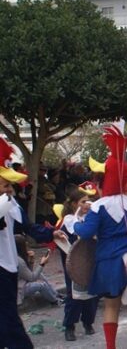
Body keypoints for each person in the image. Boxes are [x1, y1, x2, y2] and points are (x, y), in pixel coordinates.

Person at [72, 126, 127, 349]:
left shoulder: (99, 207)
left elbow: (86, 232)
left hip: (110, 261)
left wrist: (75, 222)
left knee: (111, 306)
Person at [0, 137, 55, 349]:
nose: (9, 189)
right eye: (5, 184)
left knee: (8, 320)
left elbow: (30, 228)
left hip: (8, 267)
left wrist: (53, 233)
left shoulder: (10, 203)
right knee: (8, 323)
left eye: (10, 185)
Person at [55, 189, 99, 341]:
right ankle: (69, 326)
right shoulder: (68, 220)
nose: (86, 204)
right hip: (75, 263)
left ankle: (88, 323)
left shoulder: (90, 218)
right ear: (74, 204)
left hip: (90, 260)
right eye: (83, 202)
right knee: (74, 296)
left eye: (88, 201)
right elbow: (63, 243)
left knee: (91, 293)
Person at [14, 235, 59, 306]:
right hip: (19, 289)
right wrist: (42, 264)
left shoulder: (18, 257)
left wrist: (31, 261)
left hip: (22, 282)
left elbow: (28, 273)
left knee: (40, 275)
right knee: (41, 285)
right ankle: (55, 301)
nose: (27, 244)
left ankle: (56, 294)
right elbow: (32, 278)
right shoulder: (19, 261)